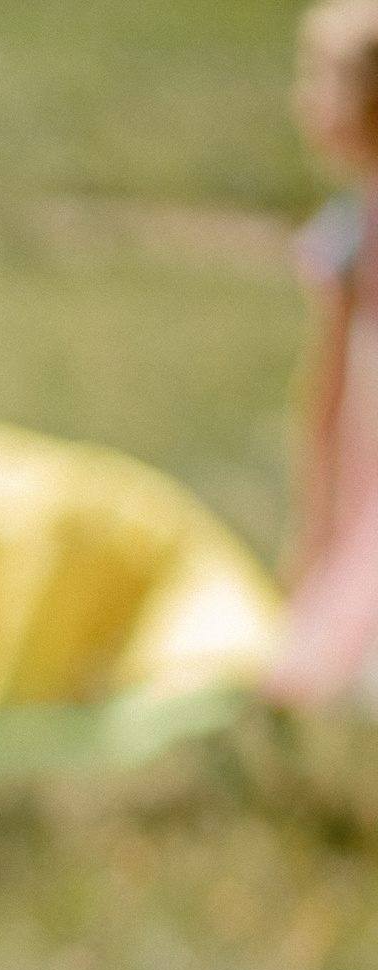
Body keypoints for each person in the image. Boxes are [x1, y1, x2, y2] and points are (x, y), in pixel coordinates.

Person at [273, 0, 378, 709]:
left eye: (322, 78)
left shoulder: (354, 238)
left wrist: (312, 535)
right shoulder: (351, 228)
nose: (303, 98)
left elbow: (325, 399)